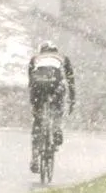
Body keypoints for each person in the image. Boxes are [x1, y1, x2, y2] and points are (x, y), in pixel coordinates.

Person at [28, 41, 75, 173]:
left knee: (37, 121)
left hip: (38, 86)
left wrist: (35, 106)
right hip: (56, 85)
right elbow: (70, 81)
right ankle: (56, 129)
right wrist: (72, 100)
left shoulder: (35, 59)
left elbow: (30, 81)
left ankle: (35, 157)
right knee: (57, 107)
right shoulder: (62, 58)